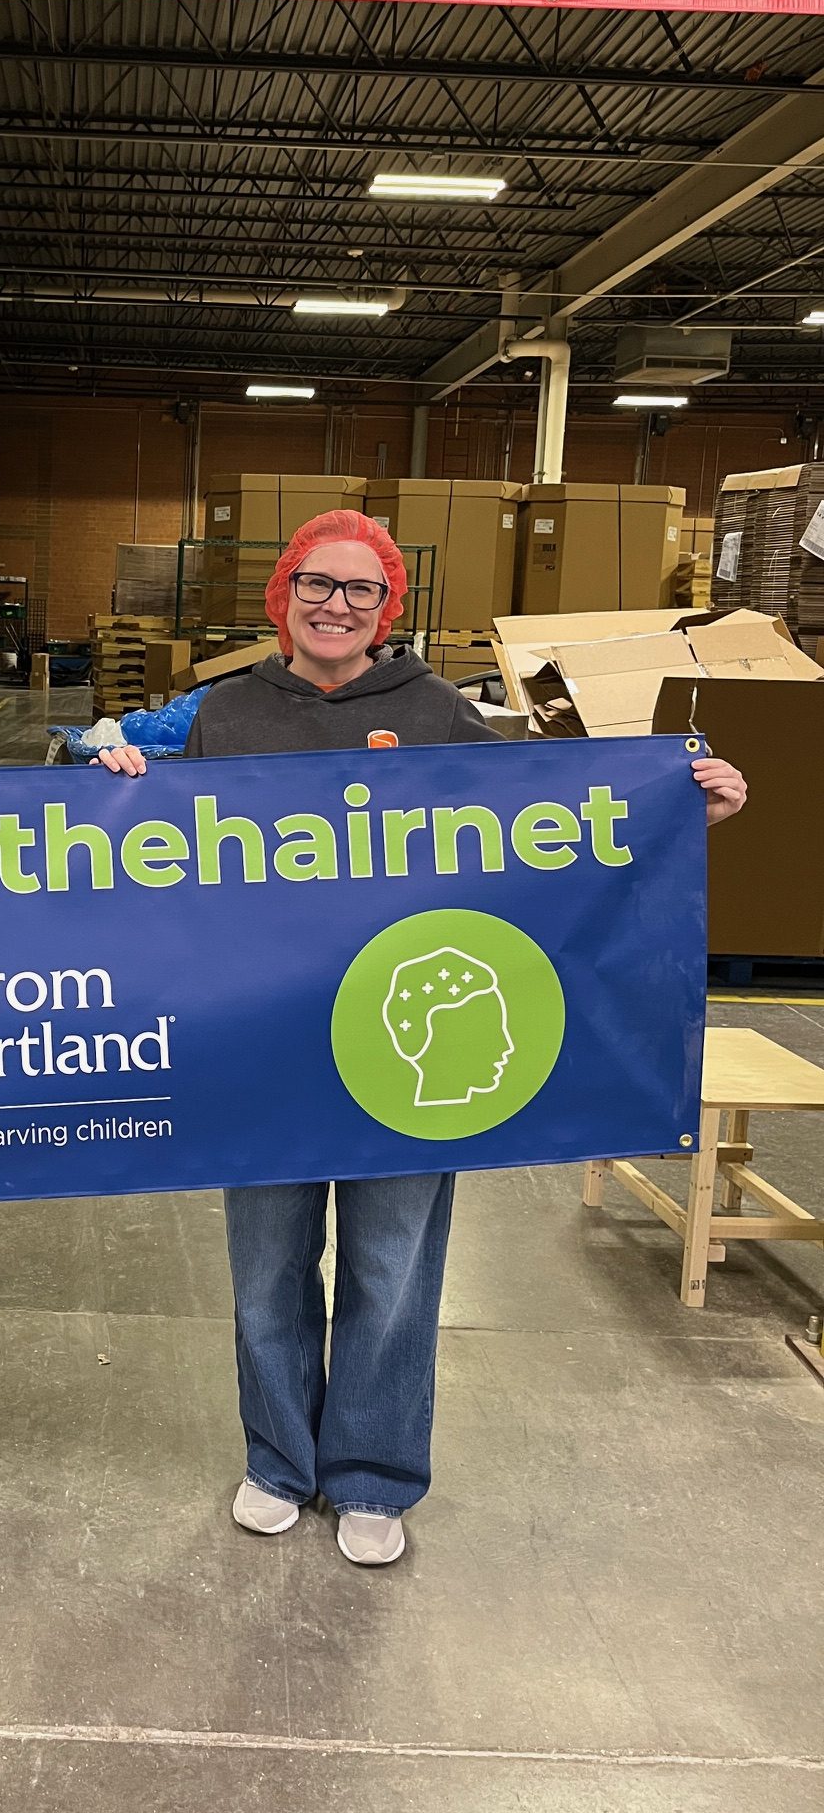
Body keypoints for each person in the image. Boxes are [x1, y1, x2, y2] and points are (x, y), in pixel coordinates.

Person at [97, 509, 747, 1567]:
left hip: (411, 1040)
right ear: (285, 593)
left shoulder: (437, 709)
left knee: (392, 1264)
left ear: (386, 607)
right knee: (268, 1266)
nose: (335, 604)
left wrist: (679, 812)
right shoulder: (229, 711)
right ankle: (277, 1463)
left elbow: (551, 822)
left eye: (359, 590)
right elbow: (161, 853)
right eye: (317, 583)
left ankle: (372, 1473)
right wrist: (116, 779)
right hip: (264, 1040)